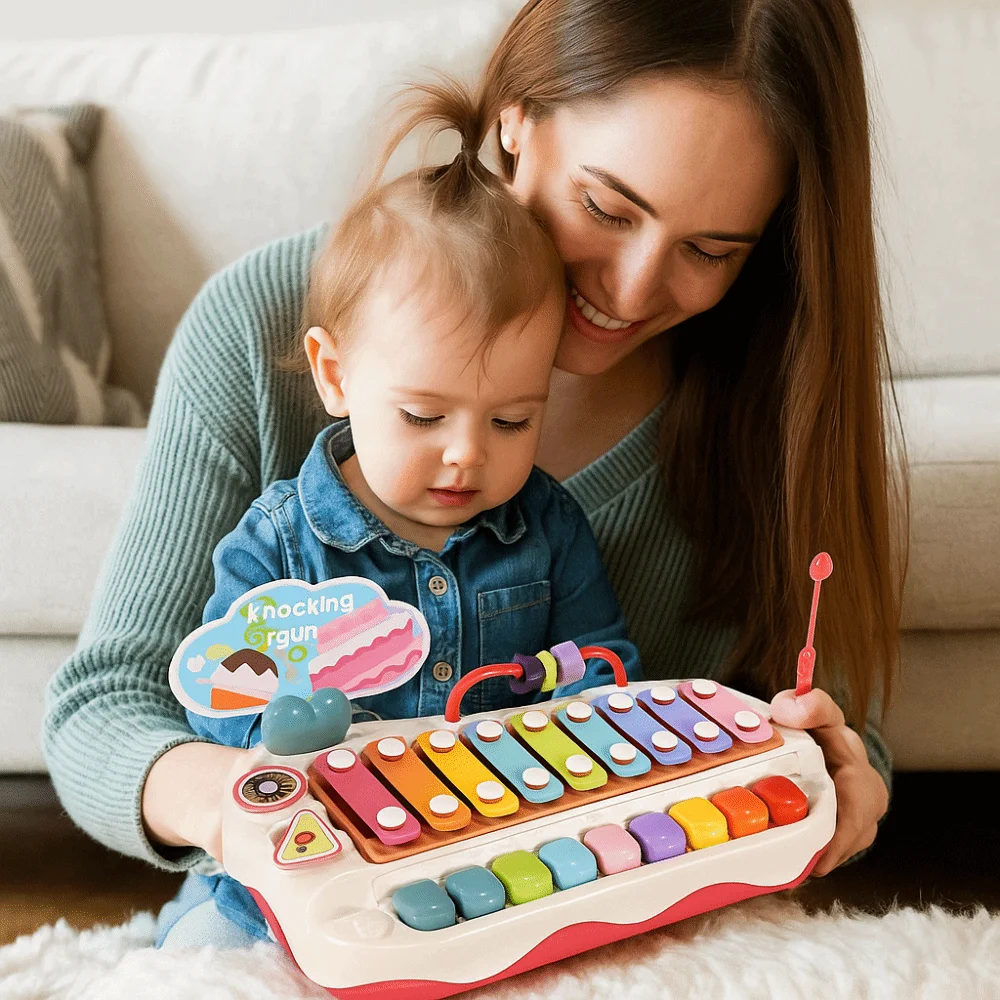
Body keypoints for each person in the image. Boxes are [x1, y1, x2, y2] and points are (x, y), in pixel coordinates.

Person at [44, 0, 903, 950]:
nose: (628, 289)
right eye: (607, 207)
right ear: (514, 121)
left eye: (710, 251)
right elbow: (106, 705)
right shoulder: (261, 325)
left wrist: (840, 771)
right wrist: (240, 809)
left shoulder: (772, 393)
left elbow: (832, 723)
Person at [165, 78, 641, 944]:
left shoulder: (550, 529)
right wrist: (275, 726)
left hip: (493, 848)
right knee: (204, 954)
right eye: (423, 417)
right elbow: (216, 701)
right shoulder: (275, 543)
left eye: (512, 419)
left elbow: (608, 663)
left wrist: (553, 690)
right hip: (304, 864)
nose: (467, 453)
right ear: (337, 375)